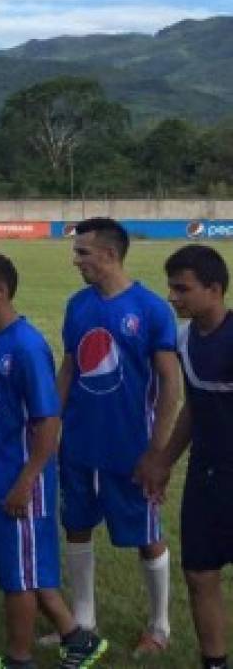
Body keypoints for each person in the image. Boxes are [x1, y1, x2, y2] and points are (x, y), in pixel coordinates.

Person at [0, 252, 107, 669]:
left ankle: (19, 659)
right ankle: (78, 640)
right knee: (25, 568)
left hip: (22, 480)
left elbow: (47, 422)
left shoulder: (25, 347)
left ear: (1, 292)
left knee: (18, 580)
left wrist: (26, 481)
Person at [57, 217, 180, 657]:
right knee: (76, 525)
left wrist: (157, 452)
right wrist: (51, 422)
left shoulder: (150, 309)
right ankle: (83, 621)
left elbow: (170, 384)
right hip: (78, 442)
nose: (77, 261)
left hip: (129, 445)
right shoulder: (77, 305)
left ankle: (160, 626)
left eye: (82, 253)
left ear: (109, 254)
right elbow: (70, 367)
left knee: (146, 533)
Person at [143, 245, 233, 669]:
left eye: (183, 289)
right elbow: (193, 408)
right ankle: (213, 662)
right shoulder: (184, 340)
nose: (173, 298)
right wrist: (163, 461)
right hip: (206, 474)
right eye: (171, 288)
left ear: (214, 289)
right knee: (199, 575)